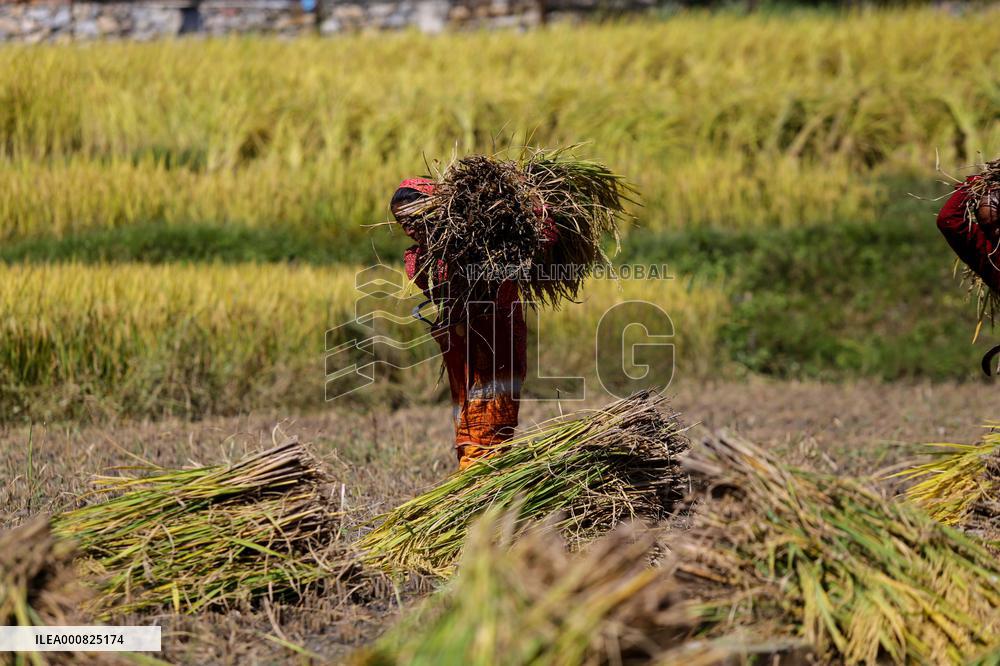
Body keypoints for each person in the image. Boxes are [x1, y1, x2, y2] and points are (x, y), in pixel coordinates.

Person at [390, 177, 529, 470]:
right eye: (400, 221)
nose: (408, 227)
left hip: (493, 345)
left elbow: (517, 265)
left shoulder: (480, 244)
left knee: (489, 430)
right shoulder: (421, 257)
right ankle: (477, 491)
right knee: (467, 427)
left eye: (413, 217)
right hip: (461, 353)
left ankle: (479, 493)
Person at [937, 175, 1000, 373]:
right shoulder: (991, 258)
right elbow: (949, 220)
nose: (996, 232)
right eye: (989, 227)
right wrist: (977, 182)